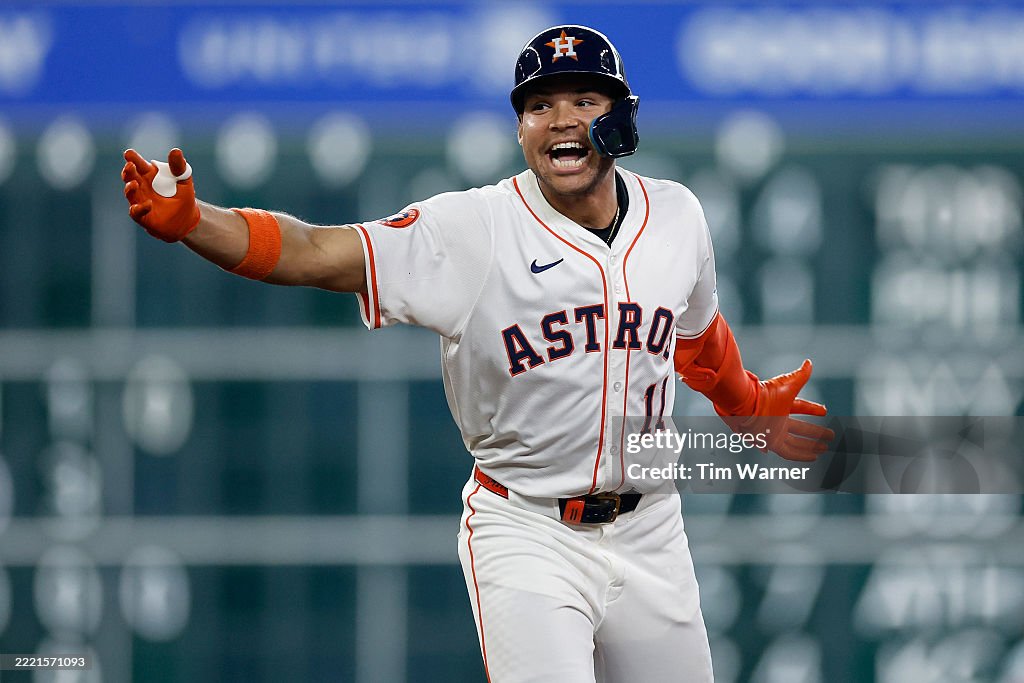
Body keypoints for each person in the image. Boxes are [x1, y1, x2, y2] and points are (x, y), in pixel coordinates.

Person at [122, 24, 833, 683]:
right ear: (520, 129)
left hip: (652, 526)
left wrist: (745, 402)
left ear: (623, 118)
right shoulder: (475, 229)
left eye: (584, 100)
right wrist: (196, 222)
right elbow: (317, 252)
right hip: (529, 529)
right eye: (539, 106)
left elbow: (696, 336)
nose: (560, 120)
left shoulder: (676, 215)